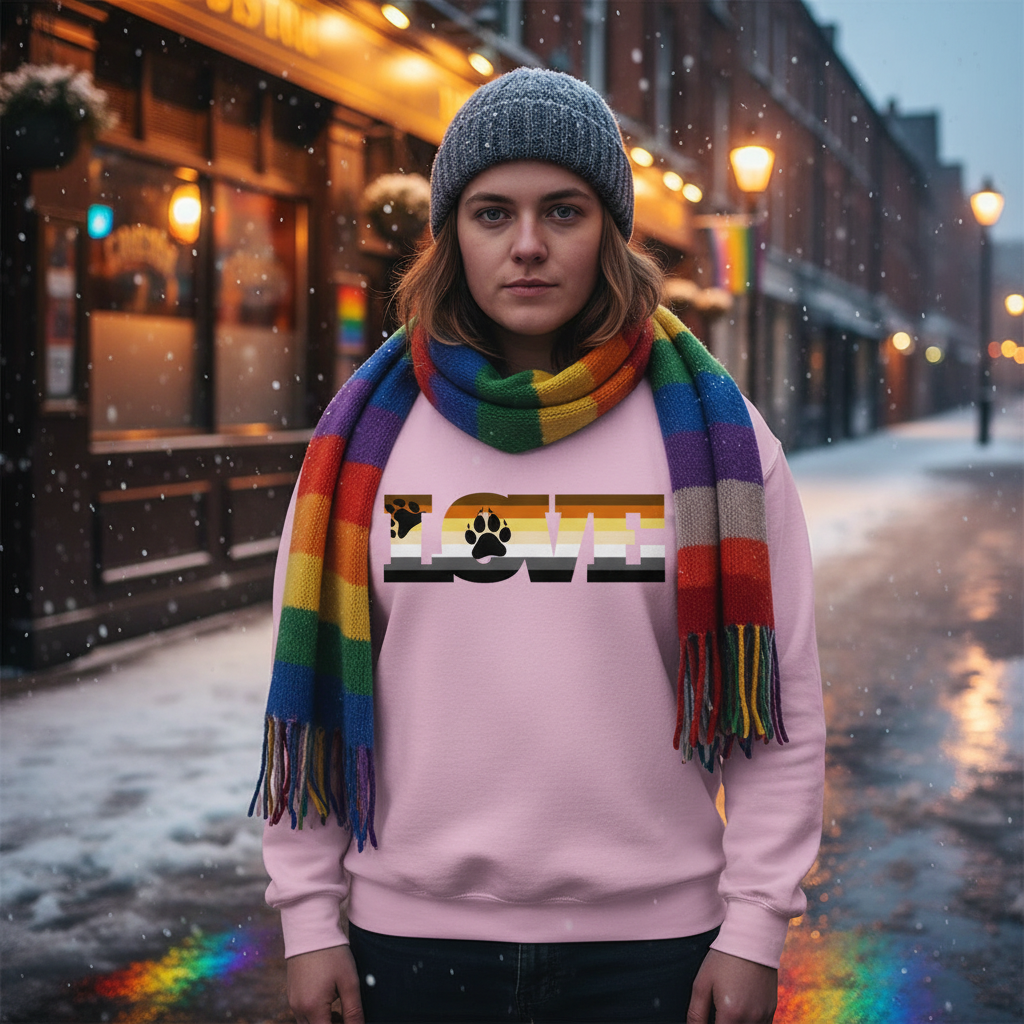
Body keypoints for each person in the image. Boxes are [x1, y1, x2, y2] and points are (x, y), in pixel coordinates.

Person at [253, 68, 826, 1024]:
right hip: (412, 943)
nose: (527, 245)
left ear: (609, 229)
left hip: (656, 953)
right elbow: (305, 699)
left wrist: (755, 925)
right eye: (491, 213)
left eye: (562, 209)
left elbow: (781, 710)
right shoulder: (364, 443)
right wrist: (310, 920)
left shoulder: (719, 443)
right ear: (451, 236)